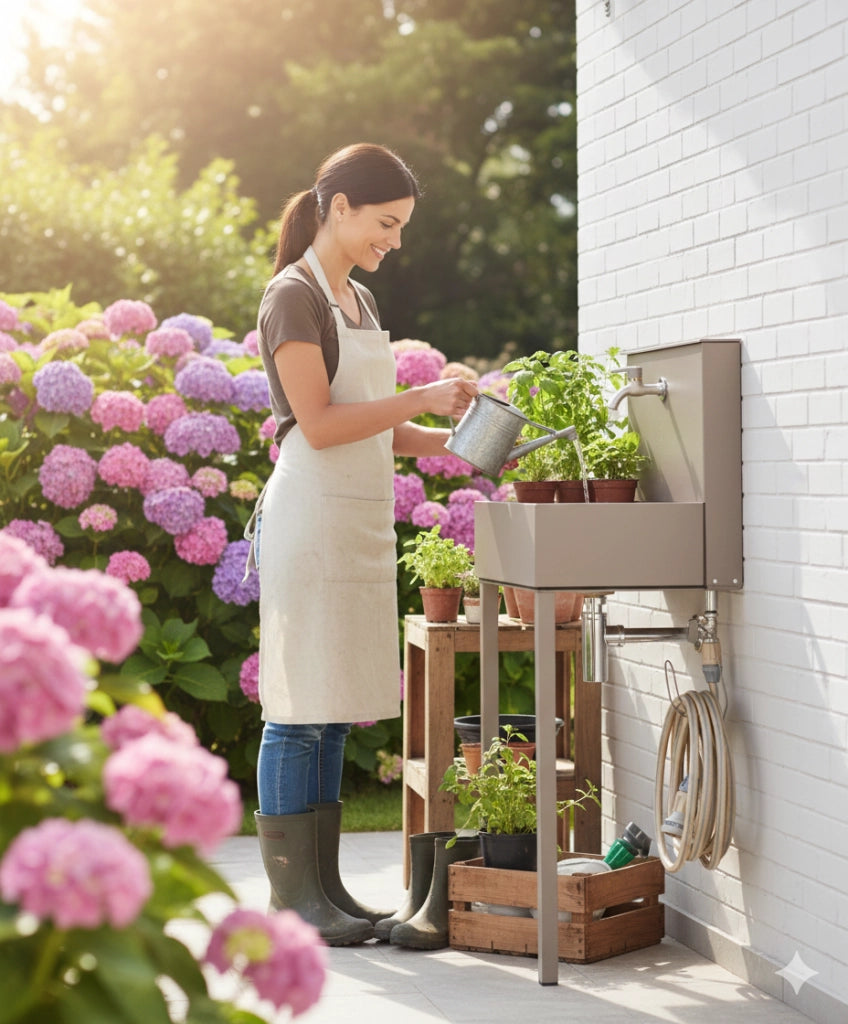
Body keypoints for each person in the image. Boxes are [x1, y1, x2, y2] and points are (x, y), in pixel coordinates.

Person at [248, 143, 478, 945]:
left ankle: (327, 891)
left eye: (402, 226)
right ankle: (293, 902)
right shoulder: (293, 298)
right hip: (310, 516)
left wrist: (451, 436)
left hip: (354, 519)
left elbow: (378, 429)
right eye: (386, 223)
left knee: (335, 707)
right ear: (339, 206)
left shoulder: (363, 304)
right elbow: (320, 422)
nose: (395, 240)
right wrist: (420, 390)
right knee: (298, 707)